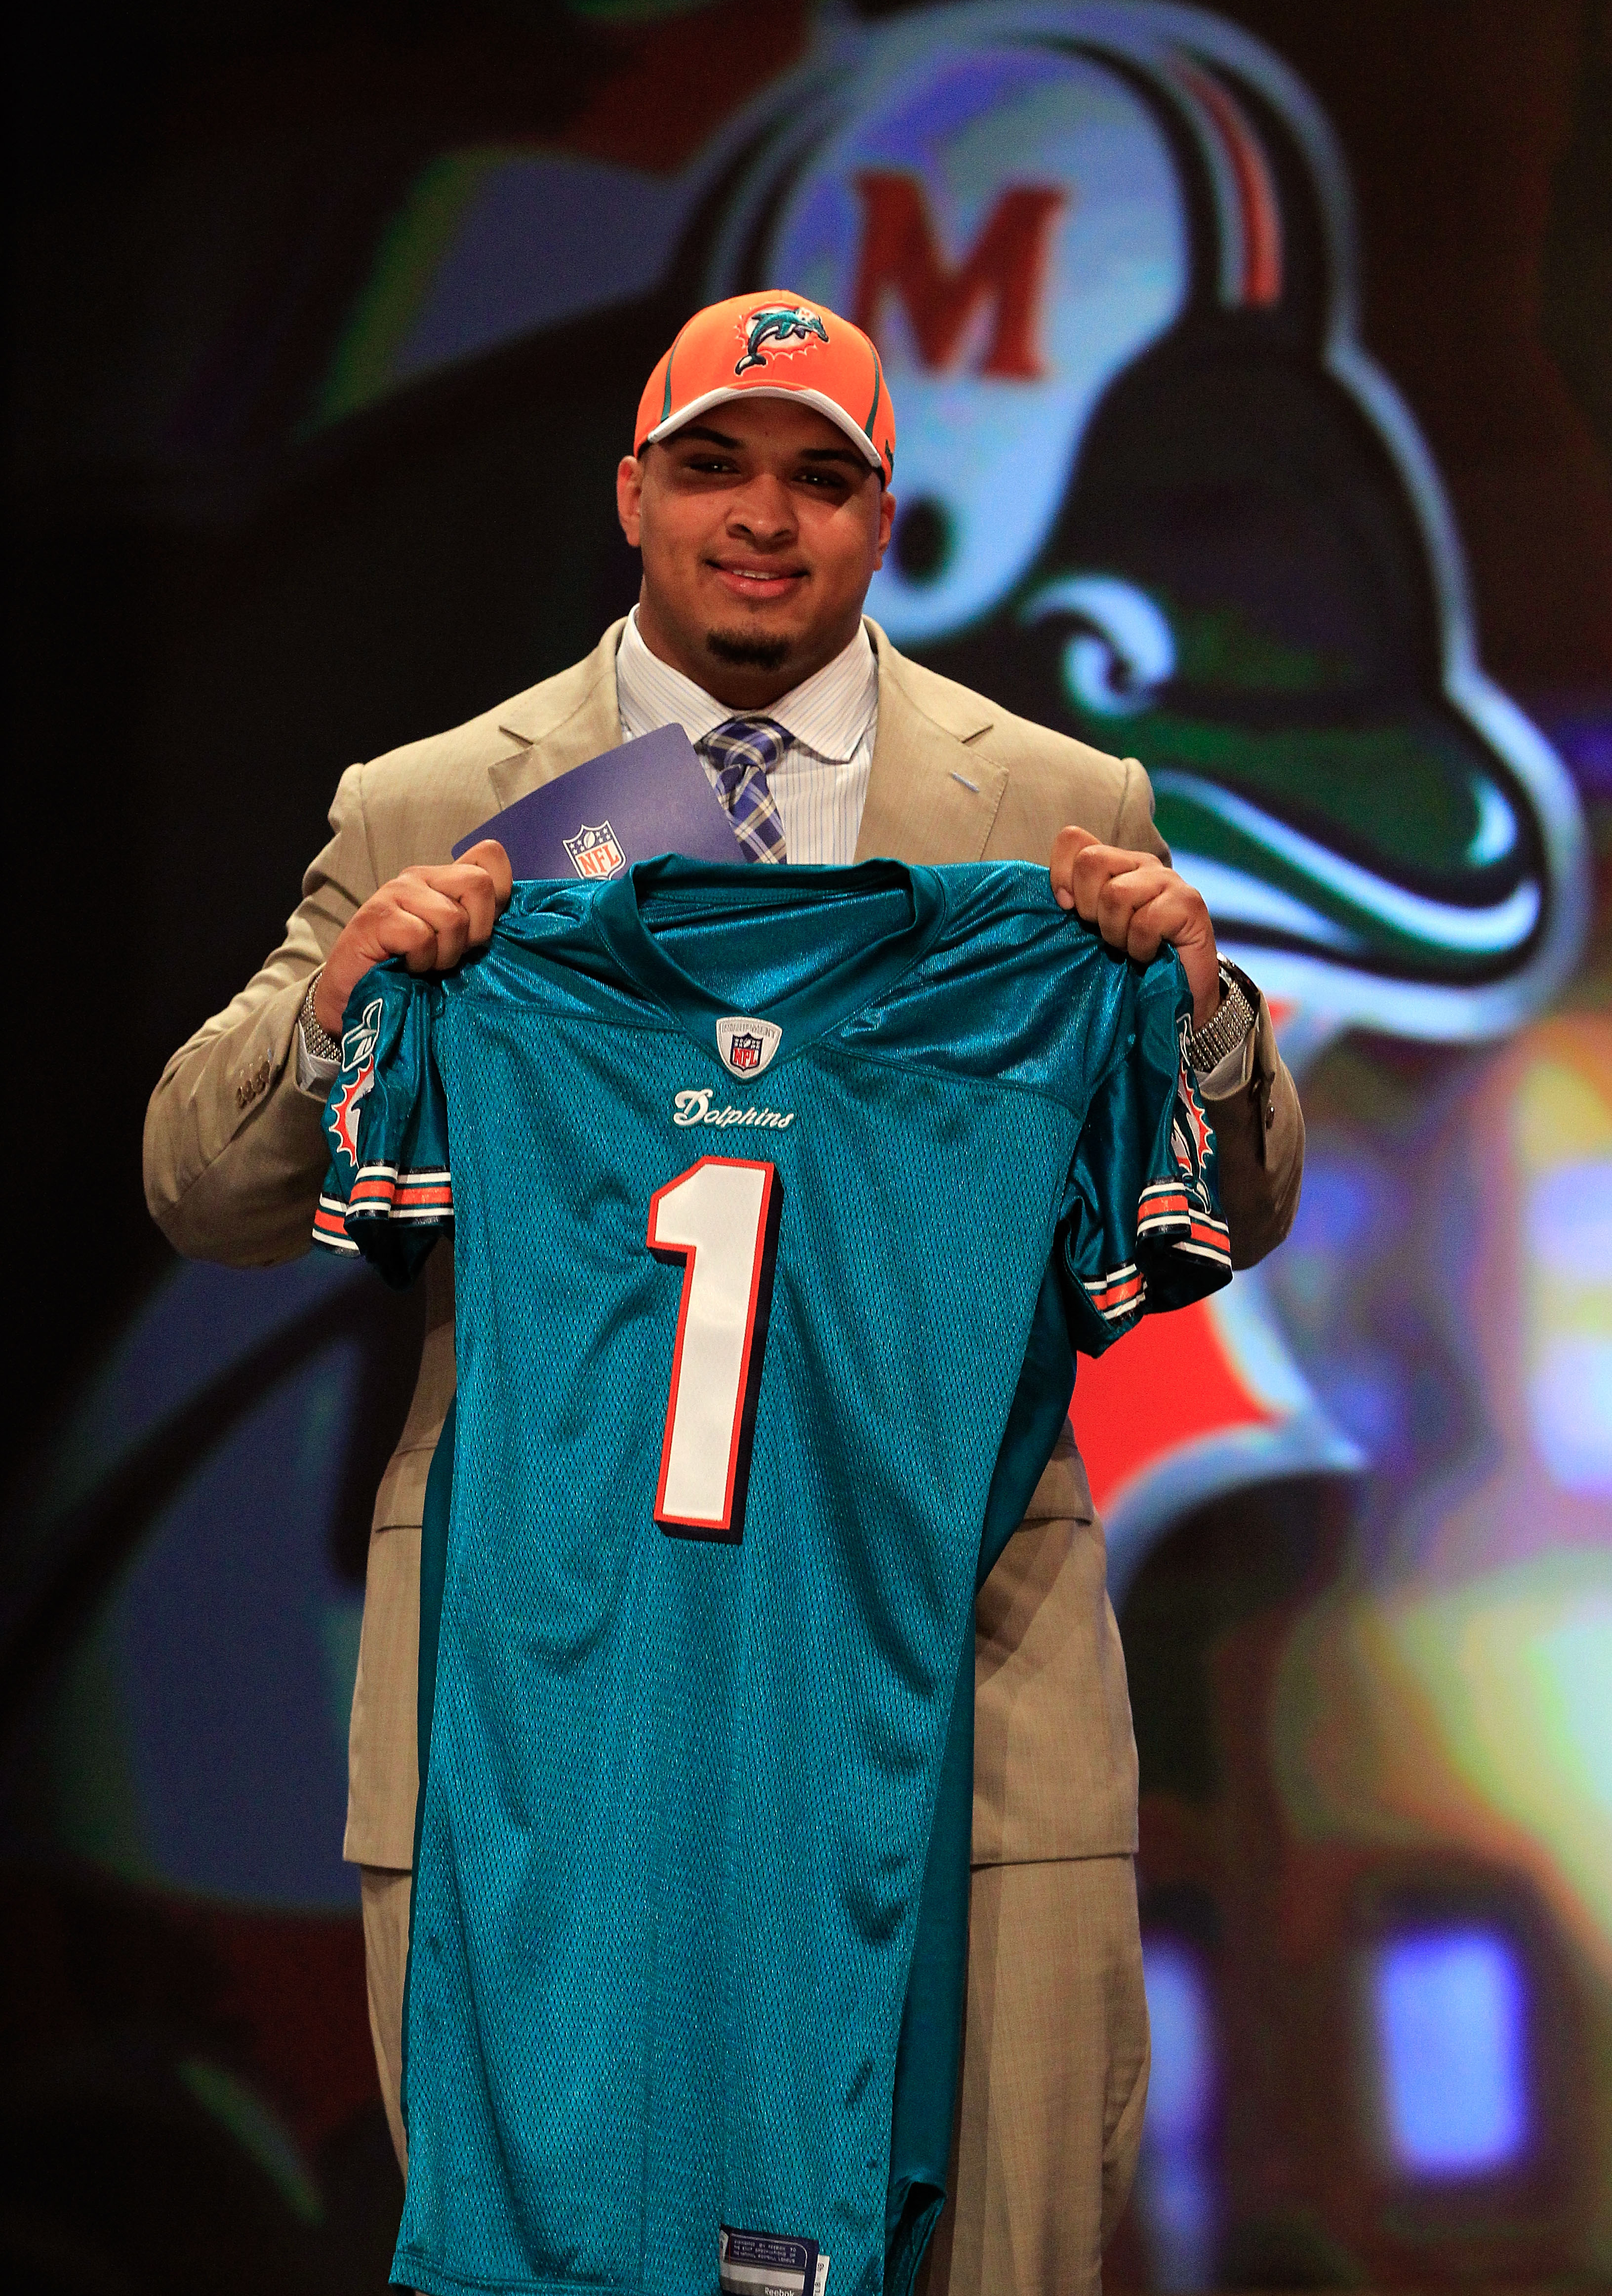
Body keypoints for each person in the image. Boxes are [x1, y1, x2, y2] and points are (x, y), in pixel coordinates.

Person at [144, 289, 1302, 2296]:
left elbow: (1246, 1194)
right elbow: (201, 1182)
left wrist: (1196, 1016)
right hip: (558, 1677)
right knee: (565, 2247)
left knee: (987, 2247)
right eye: (713, 466)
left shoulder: (1059, 811)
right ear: (634, 494)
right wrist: (349, 1004)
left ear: (882, 522)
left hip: (957, 1654)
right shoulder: (438, 808)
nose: (762, 518)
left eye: (819, 478)